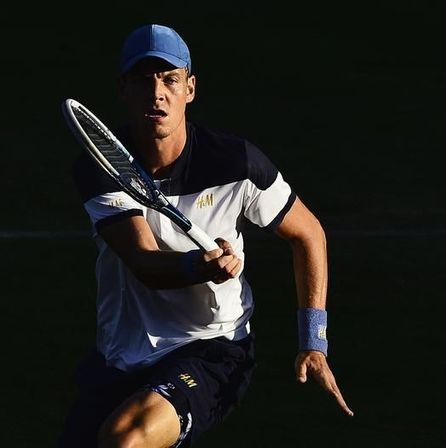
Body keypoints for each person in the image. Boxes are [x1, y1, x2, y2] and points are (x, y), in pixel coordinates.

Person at [58, 23, 353, 448]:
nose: (157, 93)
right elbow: (145, 263)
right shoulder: (101, 167)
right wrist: (201, 266)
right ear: (123, 89)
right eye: (144, 80)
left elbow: (308, 234)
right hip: (121, 357)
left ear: (190, 89)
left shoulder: (237, 163)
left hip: (212, 349)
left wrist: (314, 342)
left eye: (170, 80)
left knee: (126, 440)